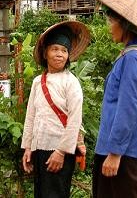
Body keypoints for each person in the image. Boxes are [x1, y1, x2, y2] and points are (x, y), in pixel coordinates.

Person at [87, 0, 137, 198]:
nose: (108, 27)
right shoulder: (133, 54)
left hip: (124, 154)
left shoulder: (133, 58)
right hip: (124, 151)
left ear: (124, 24)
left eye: (111, 21)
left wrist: (115, 153)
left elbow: (129, 108)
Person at [21, 21, 90, 198]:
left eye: (64, 51)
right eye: (55, 49)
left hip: (61, 151)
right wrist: (28, 148)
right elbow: (31, 117)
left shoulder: (71, 82)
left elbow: (75, 121)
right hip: (39, 150)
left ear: (68, 56)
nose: (59, 54)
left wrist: (60, 152)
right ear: (45, 53)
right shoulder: (38, 82)